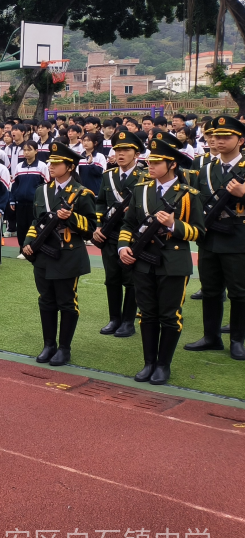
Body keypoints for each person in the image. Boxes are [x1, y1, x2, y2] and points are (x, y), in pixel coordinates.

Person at [117, 133, 203, 384]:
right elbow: (128, 224)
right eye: (150, 162)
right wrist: (123, 247)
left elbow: (199, 231)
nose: (150, 166)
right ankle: (149, 362)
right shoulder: (141, 190)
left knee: (169, 314)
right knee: (147, 313)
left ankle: (163, 364)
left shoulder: (187, 194)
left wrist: (174, 225)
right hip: (143, 260)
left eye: (157, 162)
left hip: (173, 263)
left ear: (172, 164)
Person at [22, 142, 97, 366]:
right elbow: (37, 221)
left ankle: (64, 348)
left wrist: (71, 218)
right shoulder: (41, 190)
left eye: (57, 163)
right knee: (46, 300)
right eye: (50, 163)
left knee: (66, 302)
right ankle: (49, 344)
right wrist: (28, 241)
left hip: (67, 253)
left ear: (70, 166)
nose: (51, 166)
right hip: (44, 254)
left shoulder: (82, 193)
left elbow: (91, 227)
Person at [185, 115, 245, 359]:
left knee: (239, 292)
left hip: (238, 237)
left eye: (226, 137)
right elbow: (195, 201)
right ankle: (211, 337)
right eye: (216, 136)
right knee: (210, 290)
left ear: (241, 140)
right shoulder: (205, 168)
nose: (218, 141)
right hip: (209, 237)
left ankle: (238, 340)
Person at [92, 129, 146, 337]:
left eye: (126, 150)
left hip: (133, 235)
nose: (120, 154)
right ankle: (114, 318)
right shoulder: (109, 176)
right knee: (111, 278)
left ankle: (128, 321)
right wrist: (98, 226)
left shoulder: (145, 177)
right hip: (109, 234)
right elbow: (100, 202)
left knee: (131, 279)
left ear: (136, 153)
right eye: (117, 149)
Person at [10, 141, 49, 259]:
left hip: (35, 203)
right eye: (24, 150)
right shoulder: (18, 166)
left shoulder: (42, 166)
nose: (26, 152)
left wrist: (41, 202)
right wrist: (12, 199)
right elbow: (15, 185)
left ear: (36, 151)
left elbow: (46, 185)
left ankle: (33, 249)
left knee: (33, 226)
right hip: (20, 202)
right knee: (21, 226)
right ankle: (22, 249)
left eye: (29, 150)